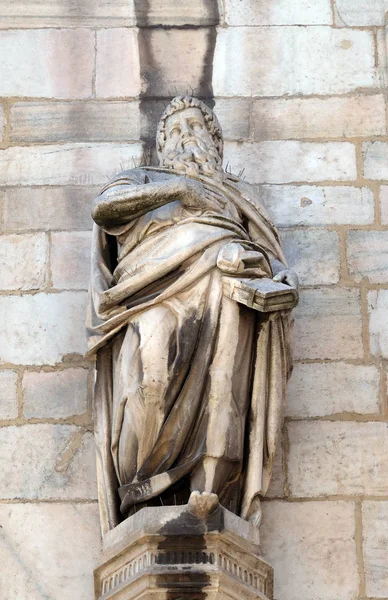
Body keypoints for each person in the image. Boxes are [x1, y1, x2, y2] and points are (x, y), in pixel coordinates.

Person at [87, 96, 297, 535]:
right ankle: (141, 489)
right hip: (151, 296)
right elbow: (105, 209)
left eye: (195, 128)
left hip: (226, 291)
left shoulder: (237, 199)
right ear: (163, 146)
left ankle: (210, 488)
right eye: (176, 131)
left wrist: (280, 281)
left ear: (215, 141)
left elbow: (269, 255)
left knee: (225, 385)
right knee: (151, 380)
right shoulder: (143, 179)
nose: (186, 138)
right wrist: (180, 190)